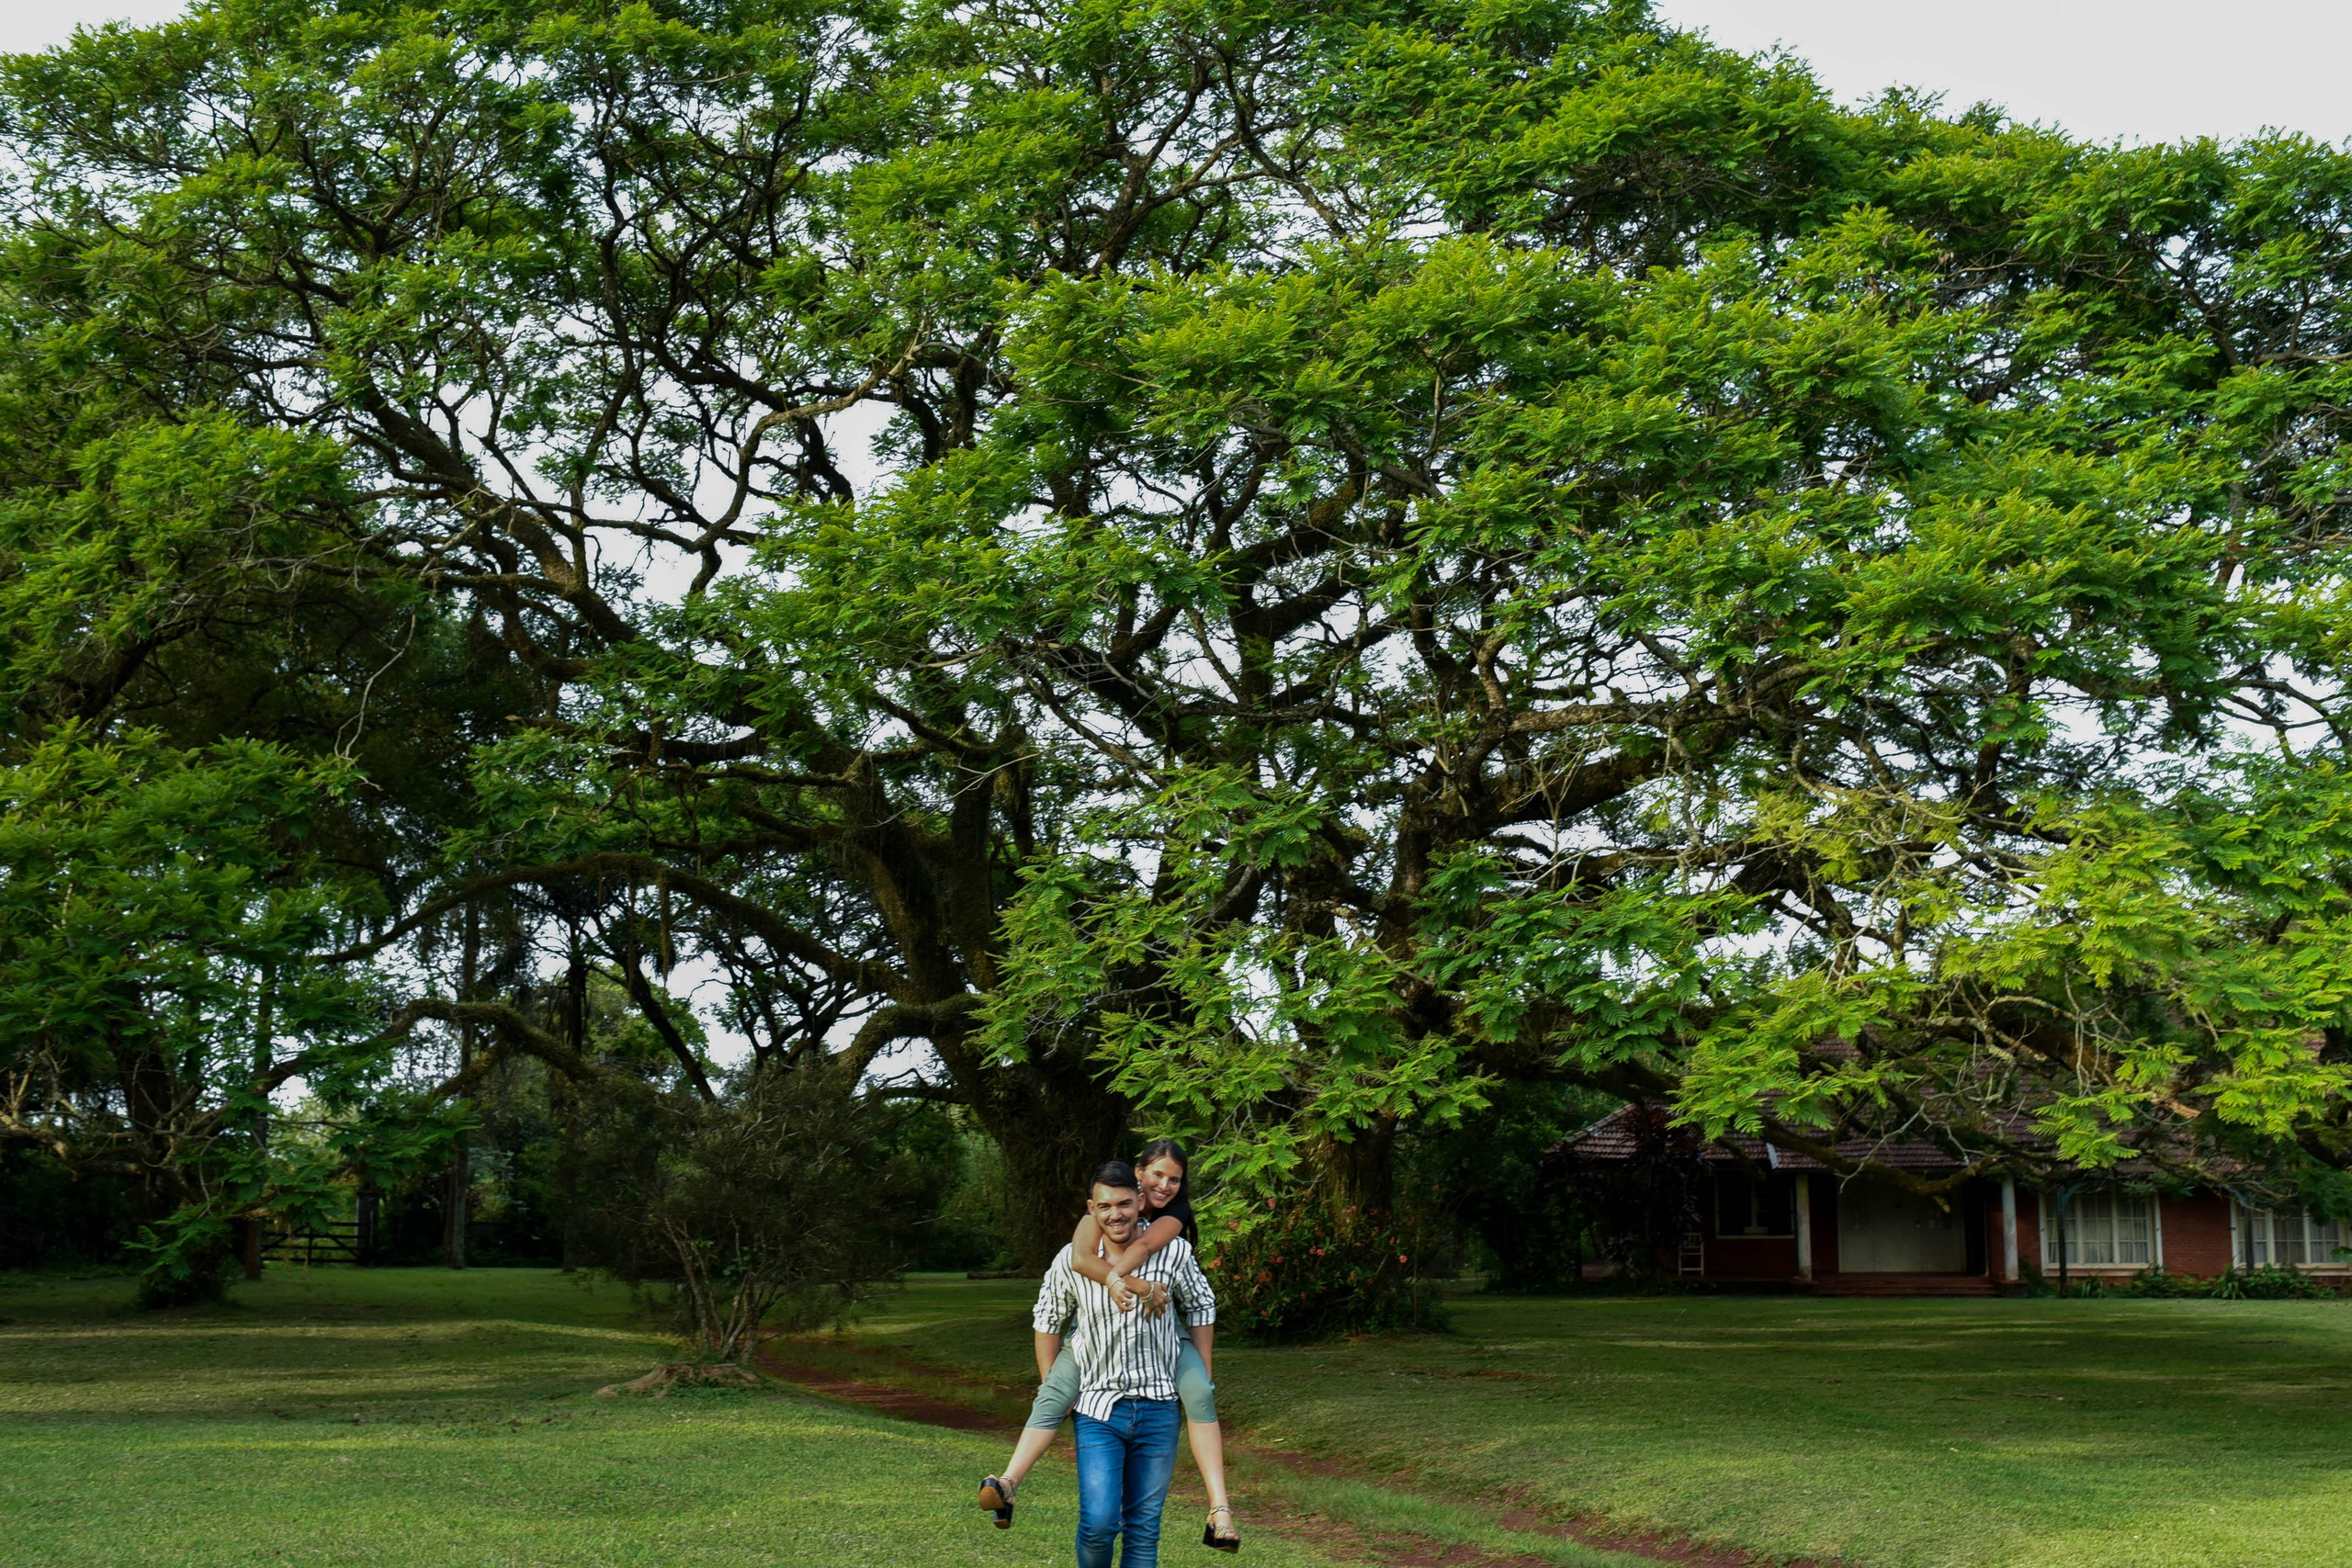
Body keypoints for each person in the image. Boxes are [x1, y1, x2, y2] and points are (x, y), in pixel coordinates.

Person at [977, 1140, 1238, 1551]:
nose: (1164, 1186)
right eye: (1157, 1175)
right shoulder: (1086, 1231)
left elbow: (1152, 1254)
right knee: (1055, 1405)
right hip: (1098, 1389)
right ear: (1138, 1175)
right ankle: (1007, 1483)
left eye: (1174, 1179)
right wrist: (1133, 1283)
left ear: (1137, 1199)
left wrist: (1203, 1367)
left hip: (1158, 1388)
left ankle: (1219, 1508)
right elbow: (1072, 1273)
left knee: (1201, 1395)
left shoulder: (1171, 1230)